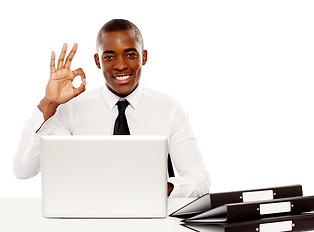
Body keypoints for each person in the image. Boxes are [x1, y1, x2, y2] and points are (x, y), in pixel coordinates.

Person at [13, 19, 210, 198]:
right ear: (97, 61)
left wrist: (163, 188)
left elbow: (199, 179)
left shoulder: (170, 110)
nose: (121, 65)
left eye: (130, 54)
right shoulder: (71, 110)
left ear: (144, 57)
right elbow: (23, 170)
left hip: (151, 220)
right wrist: (49, 103)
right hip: (88, 218)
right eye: (109, 57)